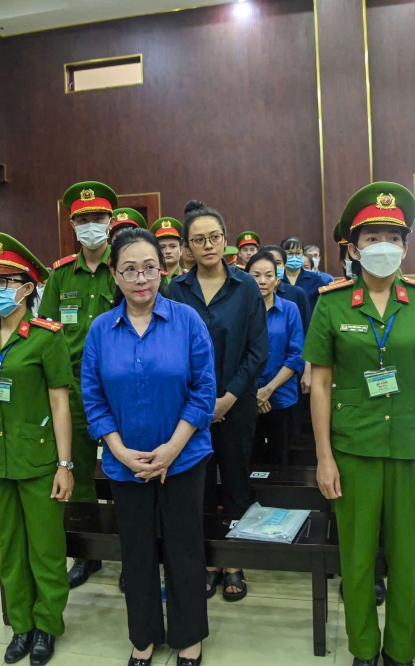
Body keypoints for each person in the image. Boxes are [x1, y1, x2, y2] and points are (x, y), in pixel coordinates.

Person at [306, 183, 415, 666]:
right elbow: (322, 386)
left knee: (407, 559)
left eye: (393, 236)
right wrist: (324, 457)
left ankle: (400, 653)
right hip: (353, 450)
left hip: (413, 446)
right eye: (372, 237)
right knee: (354, 560)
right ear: (353, 249)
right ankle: (364, 651)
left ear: (407, 245)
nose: (383, 246)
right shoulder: (330, 303)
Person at [83, 228, 214, 666]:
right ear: (115, 276)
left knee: (183, 547)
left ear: (163, 270)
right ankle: (143, 636)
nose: (141, 278)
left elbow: (203, 391)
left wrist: (172, 449)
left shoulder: (187, 320)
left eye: (150, 268)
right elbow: (93, 397)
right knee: (136, 552)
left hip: (183, 459)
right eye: (130, 270)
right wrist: (119, 452)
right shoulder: (101, 330)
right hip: (125, 464)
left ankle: (188, 635)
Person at [0, 232, 73, 666]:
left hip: (39, 460)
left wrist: (65, 464)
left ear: (27, 288)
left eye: (4, 282)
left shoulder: (46, 336)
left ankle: (47, 625)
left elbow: (60, 400)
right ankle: (21, 625)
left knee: (45, 548)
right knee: (8, 545)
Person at [168, 199, 268, 602]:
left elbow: (257, 350)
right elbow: (174, 349)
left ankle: (235, 563)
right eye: (198, 240)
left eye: (214, 237)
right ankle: (208, 561)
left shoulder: (245, 286)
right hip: (191, 408)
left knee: (237, 482)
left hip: (237, 402)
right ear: (187, 248)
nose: (208, 245)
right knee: (201, 486)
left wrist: (227, 398)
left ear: (225, 240)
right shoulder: (177, 288)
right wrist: (203, 403)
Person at [37, 181, 120, 588]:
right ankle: (89, 554)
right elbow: (47, 332)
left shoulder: (125, 267)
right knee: (79, 471)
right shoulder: (59, 275)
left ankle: (130, 545)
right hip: (72, 390)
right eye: (83, 220)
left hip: (120, 388)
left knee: (127, 468)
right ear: (73, 225)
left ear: (111, 222)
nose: (91, 226)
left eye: (98, 219)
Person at [247, 252, 303, 465]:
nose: (262, 281)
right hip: (246, 398)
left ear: (277, 279)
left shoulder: (289, 309)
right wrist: (255, 393)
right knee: (251, 459)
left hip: (281, 395)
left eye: (268, 275)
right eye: (256, 275)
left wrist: (268, 390)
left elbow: (296, 355)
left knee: (281, 460)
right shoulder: (241, 311)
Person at [261, 244, 313, 434]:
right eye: (256, 275)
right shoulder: (244, 306)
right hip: (250, 394)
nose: (262, 280)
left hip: (284, 385)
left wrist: (307, 370)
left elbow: (305, 338)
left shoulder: (292, 300)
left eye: (273, 268)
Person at [283, 236, 330, 314]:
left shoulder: (315, 280)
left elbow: (325, 304)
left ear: (303, 255)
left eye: (298, 253)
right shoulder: (277, 279)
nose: (294, 257)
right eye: (290, 254)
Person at [151, 217, 186, 284]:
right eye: (162, 247)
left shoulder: (191, 277)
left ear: (181, 250)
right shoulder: (151, 278)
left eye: (172, 246)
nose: (167, 251)